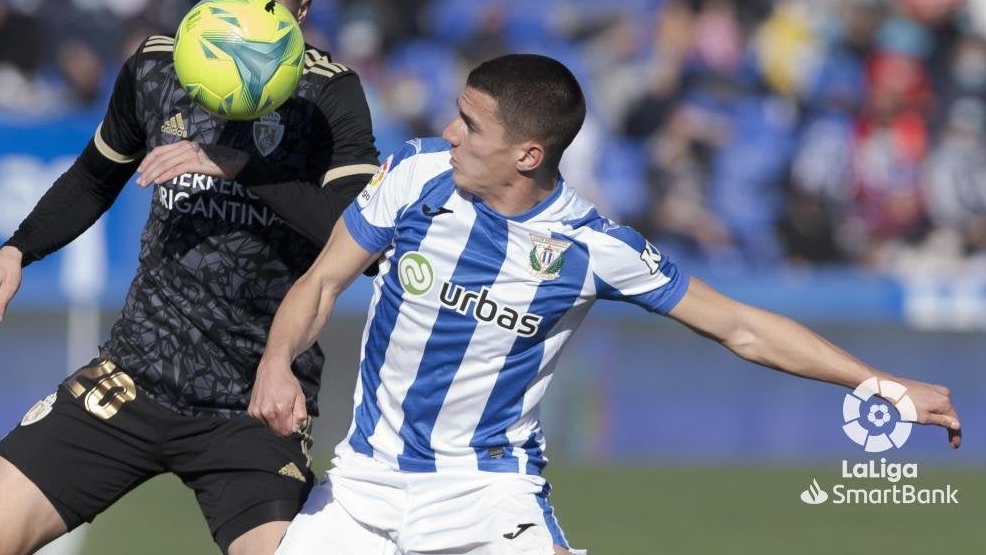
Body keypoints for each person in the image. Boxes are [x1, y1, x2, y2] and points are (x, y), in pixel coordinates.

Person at [251, 54, 962, 555]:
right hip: (363, 486)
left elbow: (740, 327)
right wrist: (277, 361)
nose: (451, 134)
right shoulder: (414, 175)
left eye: (471, 124)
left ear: (528, 155)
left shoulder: (591, 245)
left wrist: (880, 383)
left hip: (483, 496)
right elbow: (321, 282)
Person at [0, 0, 381, 555]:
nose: (240, 14)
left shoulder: (329, 97)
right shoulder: (156, 66)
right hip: (133, 379)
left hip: (255, 402)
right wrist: (18, 248)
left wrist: (244, 167)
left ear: (301, 9)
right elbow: (95, 178)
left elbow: (357, 243)